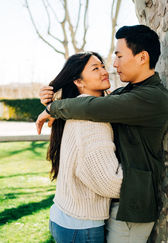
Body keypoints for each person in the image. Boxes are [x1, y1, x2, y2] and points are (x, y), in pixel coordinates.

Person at [37, 25, 168, 242]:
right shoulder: (126, 93)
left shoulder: (152, 97)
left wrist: (53, 108)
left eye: (118, 56)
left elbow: (93, 107)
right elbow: (89, 100)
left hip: (130, 208)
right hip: (114, 202)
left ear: (142, 57)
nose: (113, 65)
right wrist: (52, 99)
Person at [38, 51, 123, 243]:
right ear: (78, 81)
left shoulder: (76, 109)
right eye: (95, 68)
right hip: (81, 227)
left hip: (65, 216)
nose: (104, 71)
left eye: (102, 65)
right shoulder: (90, 120)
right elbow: (110, 182)